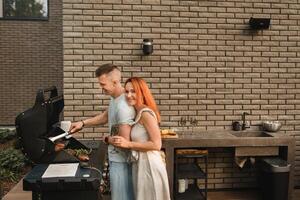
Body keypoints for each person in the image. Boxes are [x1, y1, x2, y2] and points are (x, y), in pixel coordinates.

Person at [69, 64, 135, 200]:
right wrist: (82, 123)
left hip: (122, 162)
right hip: (115, 159)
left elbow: (124, 141)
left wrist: (106, 139)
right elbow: (105, 116)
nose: (101, 88)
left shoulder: (124, 107)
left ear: (115, 82)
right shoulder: (115, 98)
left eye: (103, 84)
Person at [112, 77, 171, 200]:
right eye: (126, 91)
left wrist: (128, 144)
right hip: (141, 165)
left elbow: (156, 144)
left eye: (133, 91)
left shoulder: (146, 113)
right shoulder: (136, 112)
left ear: (141, 92)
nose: (129, 95)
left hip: (150, 165)